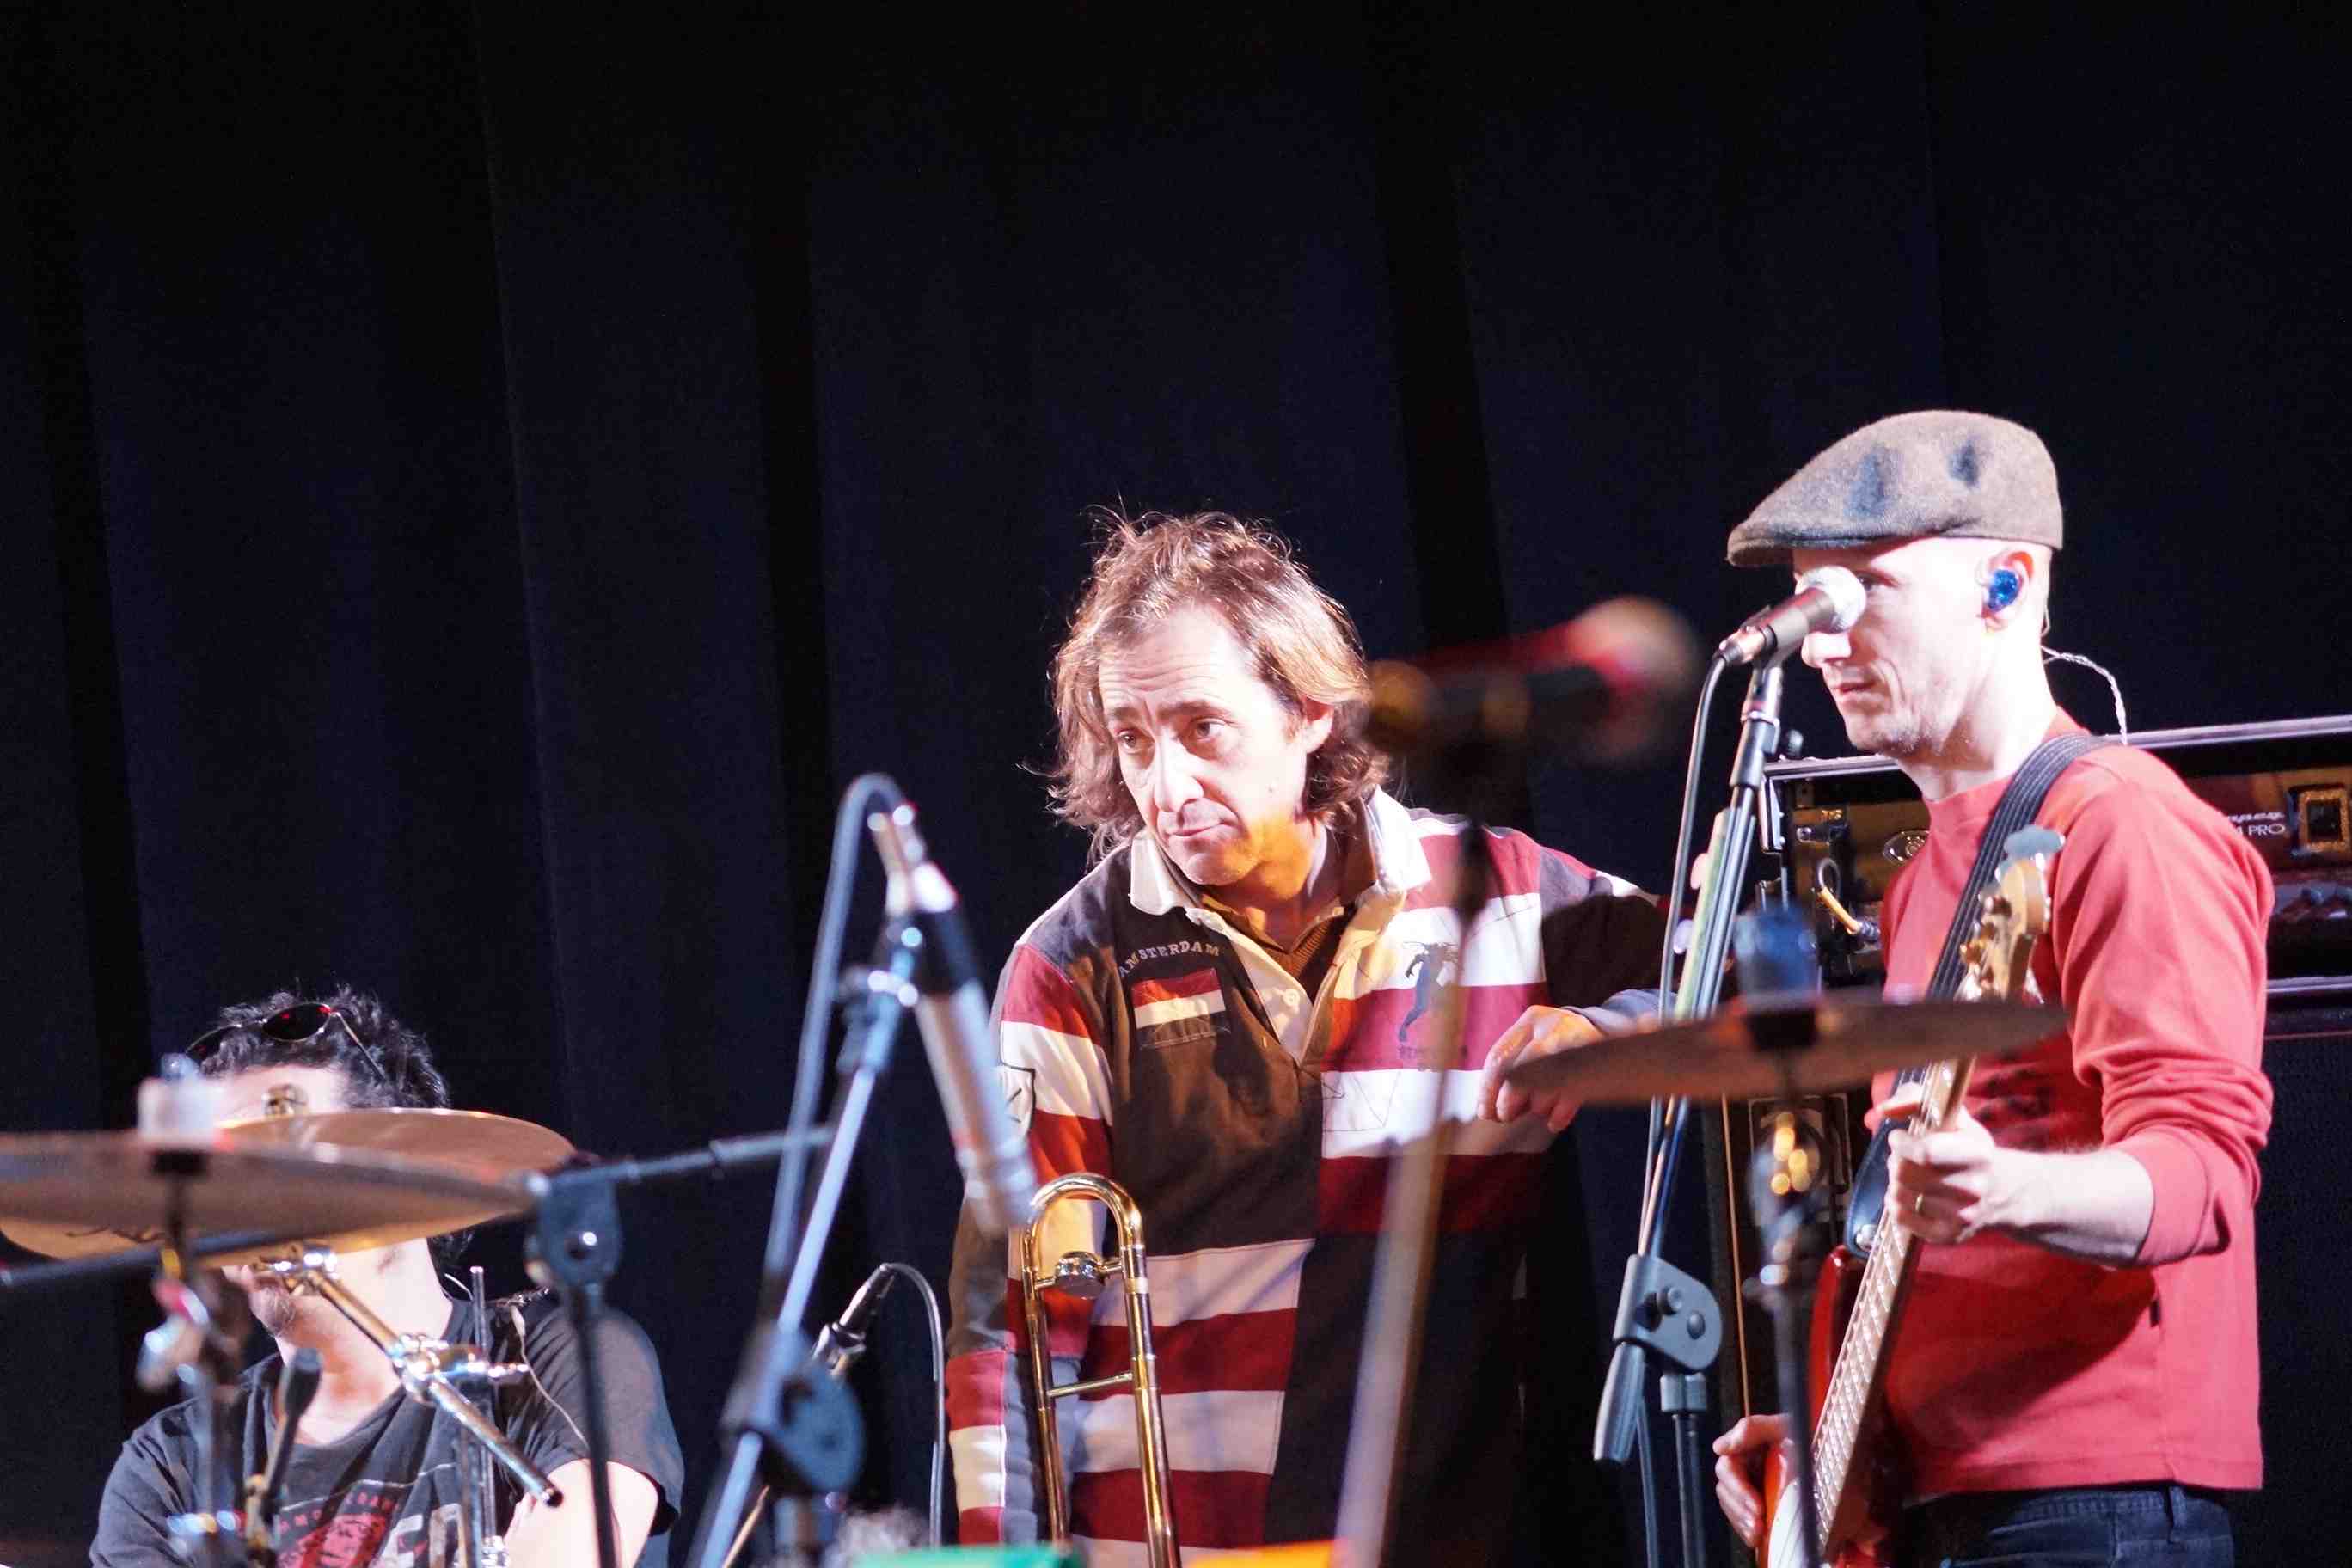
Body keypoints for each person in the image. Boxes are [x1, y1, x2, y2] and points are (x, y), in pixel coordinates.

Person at [944, 511, 1665, 1564]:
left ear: (1314, 710)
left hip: (1442, 1539)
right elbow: (1008, 1326)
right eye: (1133, 740)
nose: (1165, 787)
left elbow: (1737, 979)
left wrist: (1609, 1032)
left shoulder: (1502, 893)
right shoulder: (1071, 965)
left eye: (1202, 728)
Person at [1708, 413, 2271, 1566]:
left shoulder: (2120, 824)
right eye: (1808, 606)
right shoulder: (1925, 881)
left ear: (2006, 583)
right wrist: (1835, 1447)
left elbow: (2204, 1174)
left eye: (1860, 592)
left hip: (2092, 1504)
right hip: (1945, 1496)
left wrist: (2006, 1187)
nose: (1820, 644)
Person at [92, 987, 687, 1567]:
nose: (254, 1205)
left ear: (404, 1177)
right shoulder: (168, 1466)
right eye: (226, 1179)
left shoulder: (559, 1360)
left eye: (289, 1162)